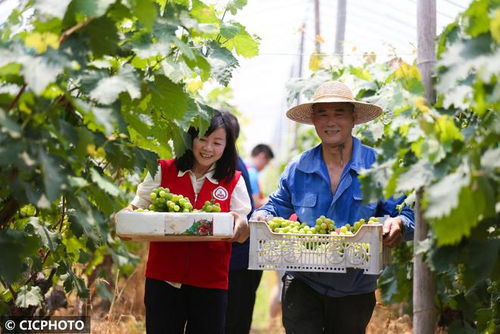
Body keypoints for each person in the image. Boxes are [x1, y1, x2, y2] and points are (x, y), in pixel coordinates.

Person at [252, 81, 415, 334]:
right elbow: (276, 206)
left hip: (356, 285)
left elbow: (407, 212)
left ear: (353, 118)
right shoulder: (298, 168)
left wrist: (400, 223)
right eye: (323, 114)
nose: (331, 122)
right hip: (303, 280)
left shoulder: (378, 166)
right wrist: (263, 214)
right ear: (314, 121)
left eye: (339, 113)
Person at [123, 110, 252, 334]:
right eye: (202, 139)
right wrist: (125, 216)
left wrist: (241, 226)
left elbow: (242, 225)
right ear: (190, 139)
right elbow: (138, 205)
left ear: (227, 147)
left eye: (217, 142)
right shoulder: (163, 170)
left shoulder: (234, 181)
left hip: (211, 282)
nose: (208, 148)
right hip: (163, 279)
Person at [223, 112, 262, 334]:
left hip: (239, 260)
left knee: (233, 320)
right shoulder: (231, 162)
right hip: (238, 259)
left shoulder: (232, 167)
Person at [246, 144, 274, 208]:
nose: (265, 166)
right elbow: (256, 204)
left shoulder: (244, 167)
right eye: (267, 163)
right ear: (262, 156)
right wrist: (272, 199)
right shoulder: (252, 173)